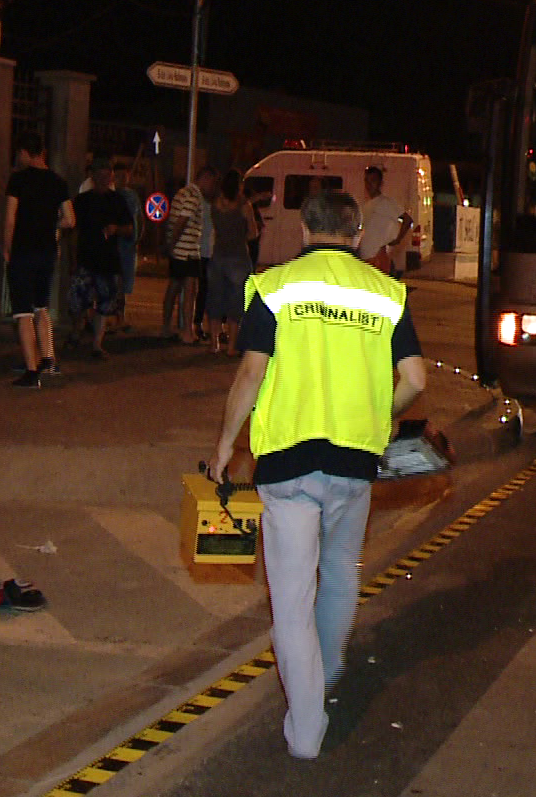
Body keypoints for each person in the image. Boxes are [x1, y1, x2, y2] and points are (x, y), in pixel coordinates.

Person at [209, 188, 428, 760]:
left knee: (291, 599)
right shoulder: (385, 292)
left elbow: (251, 374)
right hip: (354, 463)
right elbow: (416, 379)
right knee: (339, 572)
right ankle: (326, 673)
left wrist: (226, 445)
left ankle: (306, 729)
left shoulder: (274, 287)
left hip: (288, 464)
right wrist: (382, 417)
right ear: (356, 235)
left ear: (304, 230)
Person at [4, 133, 73, 388]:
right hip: (46, 252)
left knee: (23, 313)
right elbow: (70, 220)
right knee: (41, 307)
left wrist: (7, 248)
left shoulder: (18, 180)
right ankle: (48, 359)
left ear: (24, 152)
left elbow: (10, 218)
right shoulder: (58, 182)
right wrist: (51, 225)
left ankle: (31, 371)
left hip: (23, 251)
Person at [69, 161, 133, 359]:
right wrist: (73, 258)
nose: (105, 180)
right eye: (101, 176)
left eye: (108, 176)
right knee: (78, 300)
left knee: (105, 303)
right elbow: (74, 230)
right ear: (93, 177)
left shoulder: (117, 200)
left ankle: (97, 343)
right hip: (86, 258)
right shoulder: (82, 200)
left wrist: (116, 229)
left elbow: (129, 228)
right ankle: (77, 331)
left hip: (108, 260)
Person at [204, 169, 258, 355]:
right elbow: (253, 233)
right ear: (239, 185)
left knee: (215, 298)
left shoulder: (215, 205)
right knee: (236, 302)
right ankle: (232, 346)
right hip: (238, 257)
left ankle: (214, 343)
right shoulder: (244, 206)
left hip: (218, 256)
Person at [164, 164, 218, 343]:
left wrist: (170, 245)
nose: (212, 187)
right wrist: (173, 243)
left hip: (178, 250)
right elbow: (183, 220)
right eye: (212, 182)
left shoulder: (182, 193)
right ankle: (187, 331)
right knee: (190, 290)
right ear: (205, 178)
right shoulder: (194, 196)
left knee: (173, 288)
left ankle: (166, 327)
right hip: (187, 250)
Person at [356, 165, 415, 276]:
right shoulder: (366, 206)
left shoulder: (386, 202)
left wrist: (397, 239)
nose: (369, 185)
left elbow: (407, 220)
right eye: (367, 181)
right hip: (366, 257)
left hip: (377, 258)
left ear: (380, 183)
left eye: (373, 181)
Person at [108, 162, 142, 334]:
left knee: (124, 283)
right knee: (117, 283)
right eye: (119, 176)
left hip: (129, 246)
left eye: (125, 175)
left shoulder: (132, 195)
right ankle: (116, 317)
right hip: (117, 245)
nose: (122, 179)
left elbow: (139, 219)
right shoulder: (113, 196)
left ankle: (119, 316)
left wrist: (138, 238)